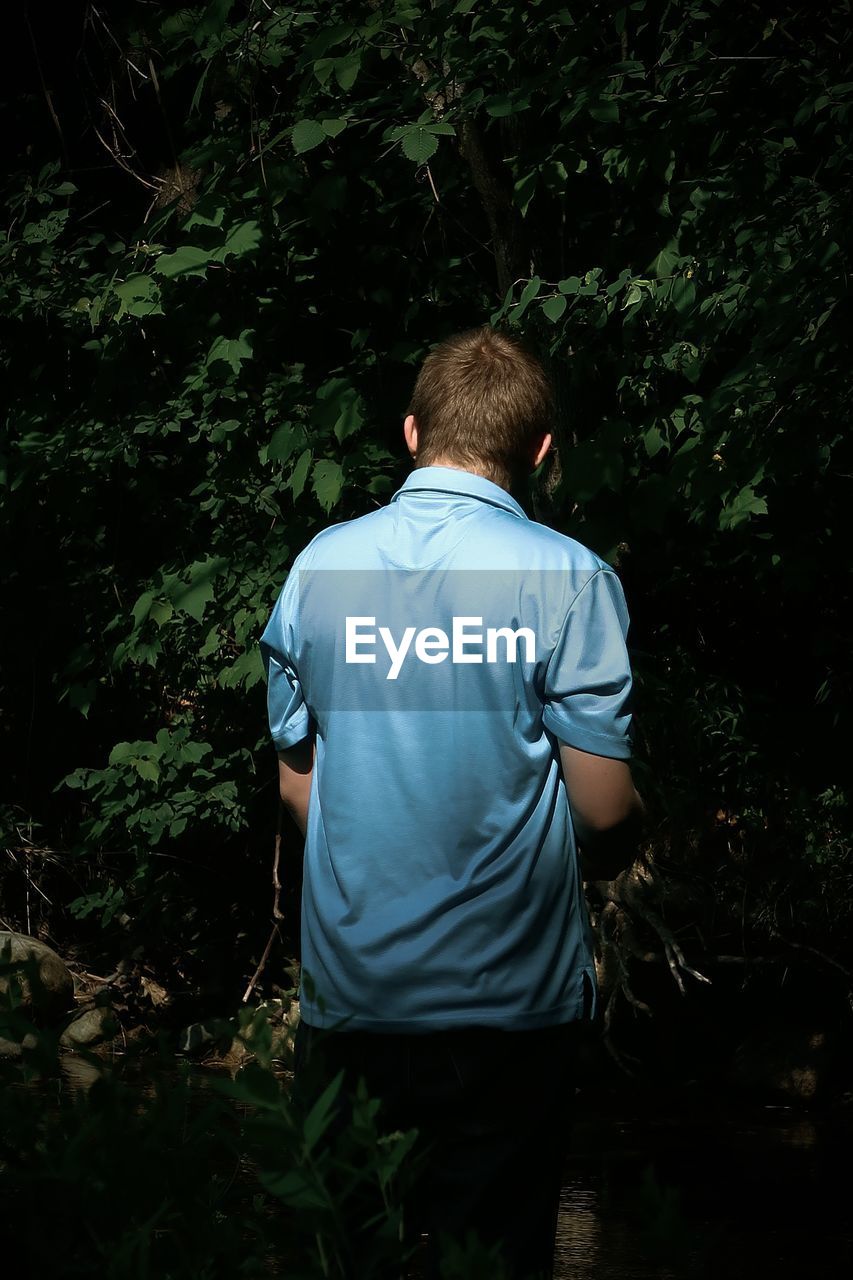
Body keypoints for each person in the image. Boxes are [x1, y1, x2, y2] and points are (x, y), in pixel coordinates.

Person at [258, 324, 644, 1279]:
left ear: (409, 432)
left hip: (355, 1008)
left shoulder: (319, 567)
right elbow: (601, 811)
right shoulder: (568, 577)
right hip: (508, 1015)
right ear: (540, 450)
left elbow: (298, 789)